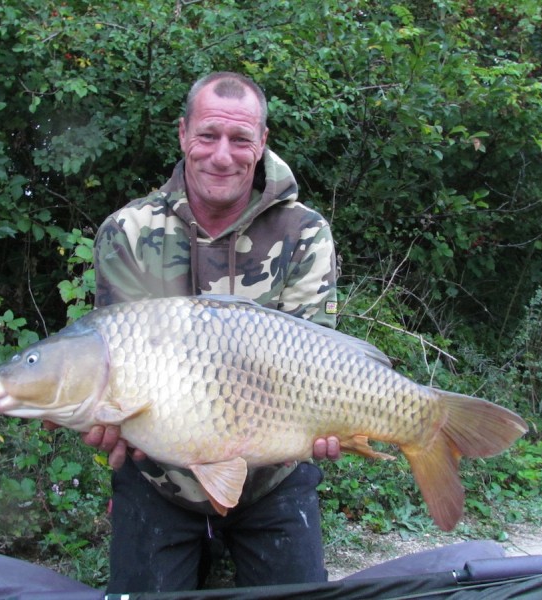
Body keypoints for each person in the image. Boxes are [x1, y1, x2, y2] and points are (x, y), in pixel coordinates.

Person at [85, 72, 341, 593]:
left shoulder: (304, 232)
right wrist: (103, 415)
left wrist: (335, 417)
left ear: (262, 143)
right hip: (159, 479)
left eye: (240, 139)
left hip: (274, 477)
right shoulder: (129, 233)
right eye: (207, 136)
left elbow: (317, 364)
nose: (222, 156)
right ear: (183, 135)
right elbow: (112, 362)